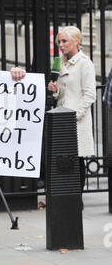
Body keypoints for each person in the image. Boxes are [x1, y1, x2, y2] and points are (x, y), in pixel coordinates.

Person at [47, 26, 96, 192]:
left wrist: (74, 115)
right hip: (61, 119)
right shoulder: (59, 62)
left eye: (64, 41)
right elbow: (62, 93)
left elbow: (90, 94)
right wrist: (56, 91)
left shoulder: (85, 63)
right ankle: (66, 195)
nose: (60, 45)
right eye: (59, 41)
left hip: (76, 120)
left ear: (76, 41)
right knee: (63, 159)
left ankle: (77, 199)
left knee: (77, 160)